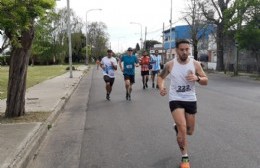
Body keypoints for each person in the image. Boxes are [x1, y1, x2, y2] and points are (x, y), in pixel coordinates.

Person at [157, 39, 208, 168]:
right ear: (176, 50)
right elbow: (160, 77)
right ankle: (185, 158)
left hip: (190, 99)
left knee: (190, 131)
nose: (185, 52)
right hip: (176, 99)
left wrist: (197, 78)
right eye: (182, 50)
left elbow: (205, 80)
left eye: (187, 49)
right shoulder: (170, 65)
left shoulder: (195, 64)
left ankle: (177, 128)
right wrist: (161, 87)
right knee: (183, 128)